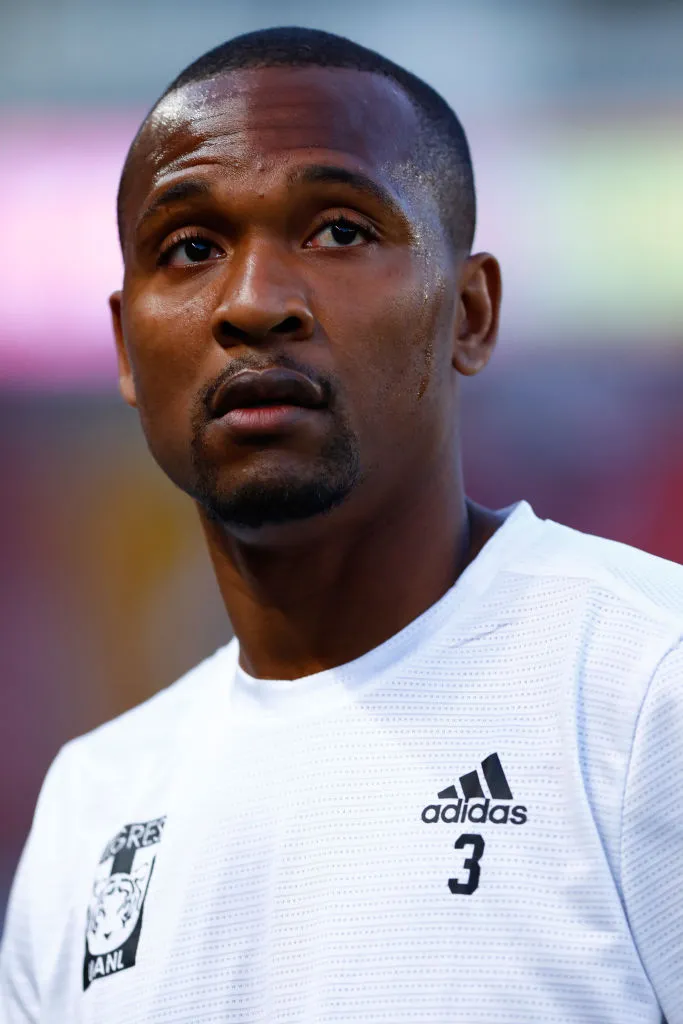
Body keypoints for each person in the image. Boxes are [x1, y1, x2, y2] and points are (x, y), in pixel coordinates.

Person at [0, 25, 681, 1024]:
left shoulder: (643, 683)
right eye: (189, 248)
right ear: (126, 351)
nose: (253, 302)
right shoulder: (94, 805)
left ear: (470, 313)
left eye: (337, 232)